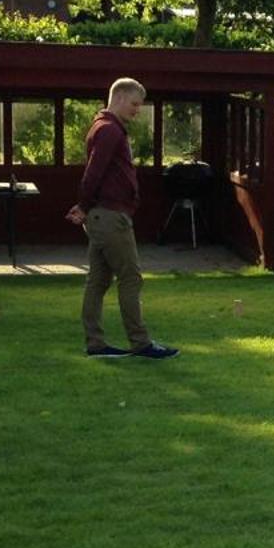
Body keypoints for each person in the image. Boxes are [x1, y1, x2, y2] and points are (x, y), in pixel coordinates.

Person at [67, 77, 177, 360]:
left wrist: (85, 207)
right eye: (134, 104)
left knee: (98, 280)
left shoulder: (102, 127)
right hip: (111, 216)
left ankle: (96, 344)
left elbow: (97, 173)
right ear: (118, 98)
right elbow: (94, 172)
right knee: (130, 278)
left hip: (101, 215)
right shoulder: (109, 130)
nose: (137, 110)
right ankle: (140, 343)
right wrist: (83, 204)